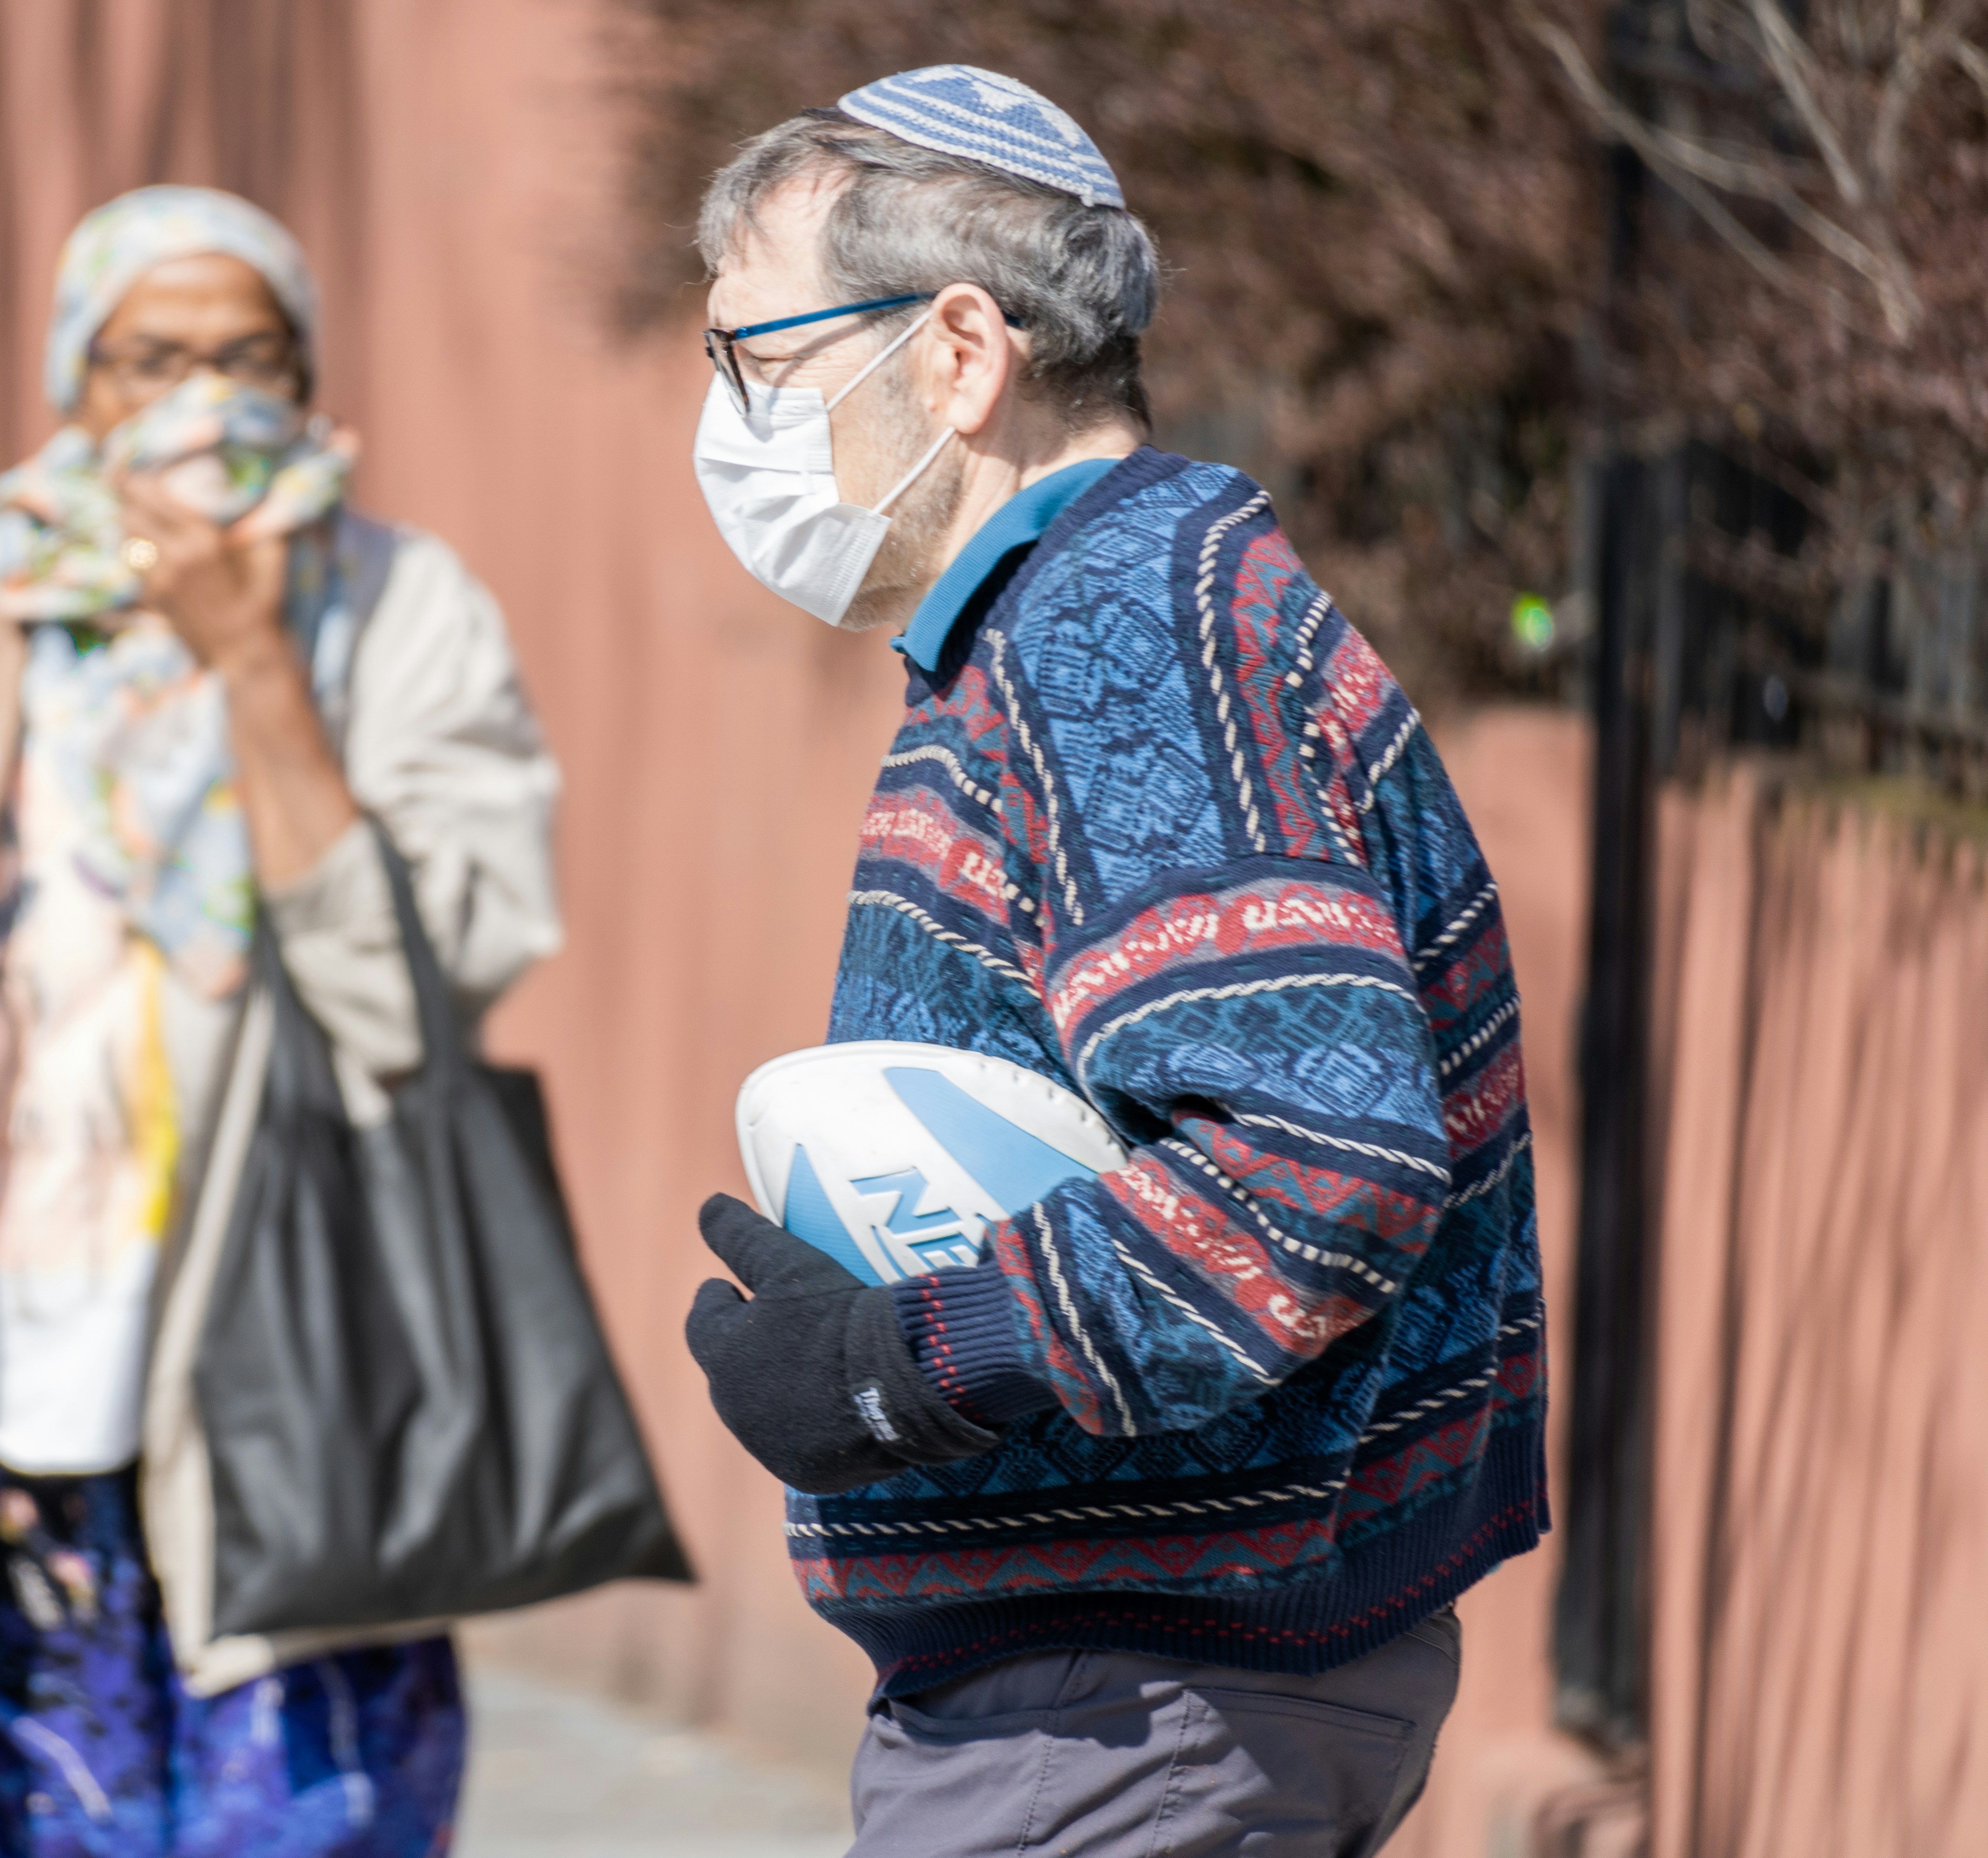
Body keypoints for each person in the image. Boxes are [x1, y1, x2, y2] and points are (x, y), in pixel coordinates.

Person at [679, 68, 1546, 1856]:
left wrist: (892, 1367)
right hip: (1143, 1692)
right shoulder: (1094, 617)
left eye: (754, 362)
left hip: (1133, 1708)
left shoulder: (1119, 636)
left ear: (959, 352)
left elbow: (1319, 1171)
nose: (733, 422)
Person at [0, 185, 559, 1858]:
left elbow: (421, 991)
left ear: (311, 383)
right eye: (149, 356)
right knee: (36, 1797)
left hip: (301, 1345)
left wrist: (254, 668)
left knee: (317, 1799)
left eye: (250, 356)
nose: (200, 399)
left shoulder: (400, 615)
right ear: (74, 385)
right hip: (2, 1339)